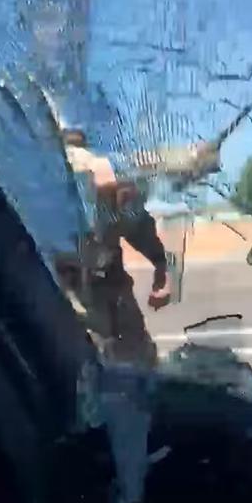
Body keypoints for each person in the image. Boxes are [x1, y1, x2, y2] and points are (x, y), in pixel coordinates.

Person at [58, 128, 172, 368]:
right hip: (82, 283)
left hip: (94, 281)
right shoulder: (97, 168)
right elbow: (132, 219)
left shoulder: (45, 170)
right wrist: (160, 263)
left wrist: (160, 263)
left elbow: (131, 219)